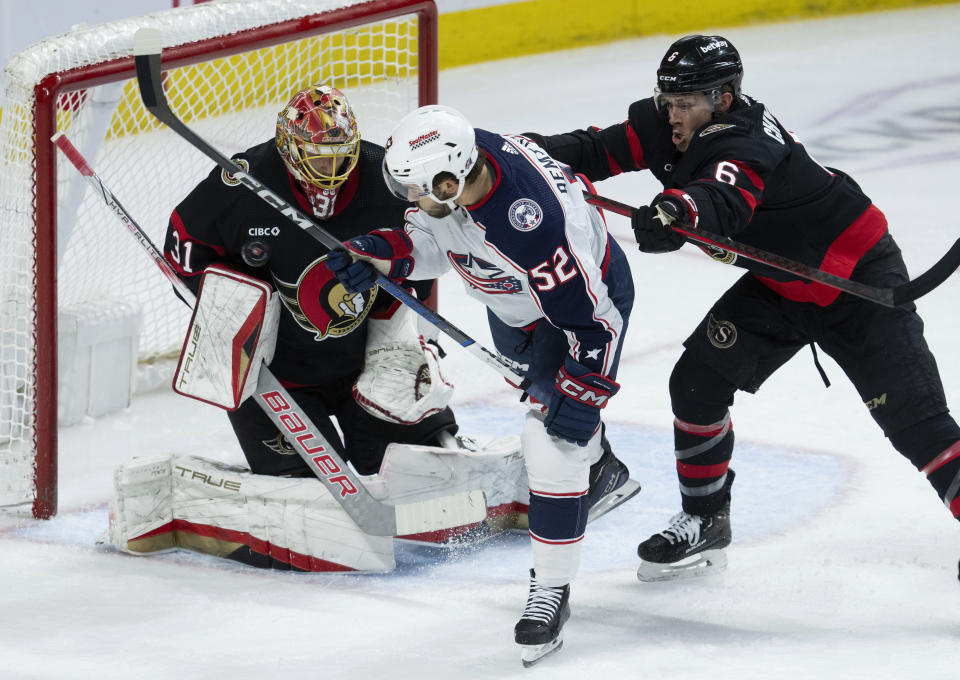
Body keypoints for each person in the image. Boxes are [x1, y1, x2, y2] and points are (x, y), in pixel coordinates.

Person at [525, 34, 960, 582]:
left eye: (687, 103)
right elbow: (593, 150)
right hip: (782, 283)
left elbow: (723, 197)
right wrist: (511, 153)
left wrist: (677, 210)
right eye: (668, 101)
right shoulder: (666, 125)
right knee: (695, 384)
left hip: (856, 284)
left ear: (724, 98)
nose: (673, 114)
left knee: (920, 428)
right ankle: (705, 519)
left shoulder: (747, 142)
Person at [325, 104, 637, 665]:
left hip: (575, 315)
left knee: (552, 442)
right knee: (564, 427)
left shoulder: (534, 229)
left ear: (450, 182)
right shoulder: (464, 162)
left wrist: (586, 391)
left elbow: (597, 322)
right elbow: (434, 242)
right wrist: (383, 252)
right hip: (511, 306)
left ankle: (550, 590)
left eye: (419, 190)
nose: (410, 200)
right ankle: (602, 465)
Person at [152, 84, 468, 568]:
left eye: (340, 156)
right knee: (306, 504)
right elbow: (183, 248)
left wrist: (399, 310)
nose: (332, 169)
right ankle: (193, 504)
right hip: (276, 375)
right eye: (319, 158)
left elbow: (434, 245)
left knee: (419, 467)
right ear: (290, 148)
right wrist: (237, 306)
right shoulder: (241, 182)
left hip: (368, 356)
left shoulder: (386, 175)